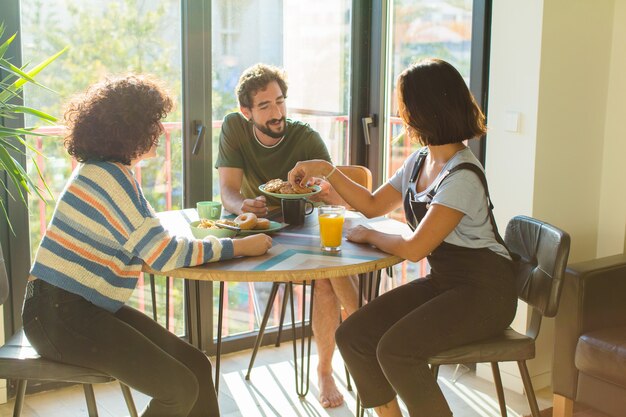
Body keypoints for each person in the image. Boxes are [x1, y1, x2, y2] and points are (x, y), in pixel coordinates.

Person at [22, 75, 272, 417]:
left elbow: (148, 244)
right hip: (59, 316)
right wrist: (238, 247)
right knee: (179, 388)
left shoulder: (107, 173)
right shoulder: (108, 177)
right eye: (154, 122)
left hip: (74, 309)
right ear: (131, 129)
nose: (161, 129)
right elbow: (165, 254)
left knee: (195, 366)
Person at [288, 58, 518, 417]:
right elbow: (372, 204)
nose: (402, 113)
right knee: (354, 336)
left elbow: (414, 249)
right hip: (448, 283)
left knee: (395, 350)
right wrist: (326, 169)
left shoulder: (462, 177)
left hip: (487, 294)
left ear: (427, 110)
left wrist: (369, 235)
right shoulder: (420, 162)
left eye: (405, 104)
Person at [215, 63, 358, 408]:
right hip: (254, 227)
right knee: (329, 271)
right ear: (246, 111)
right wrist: (242, 206)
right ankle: (364, 329)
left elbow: (339, 198)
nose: (277, 113)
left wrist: (322, 190)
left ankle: (325, 369)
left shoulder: (305, 137)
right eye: (265, 106)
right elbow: (228, 192)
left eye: (280, 101)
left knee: (328, 275)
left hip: (299, 227)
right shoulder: (234, 128)